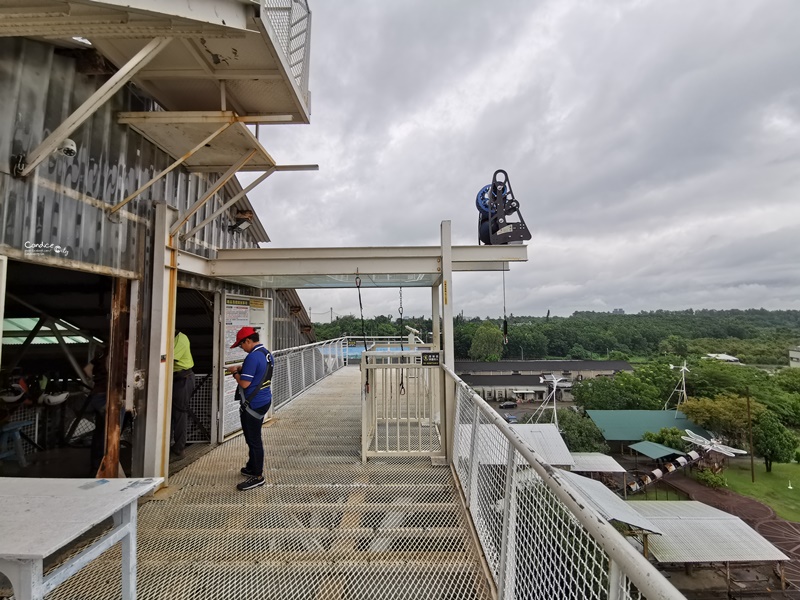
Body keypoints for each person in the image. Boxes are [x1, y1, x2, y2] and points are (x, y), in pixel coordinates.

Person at [228, 326, 274, 491]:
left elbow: (245, 383)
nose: (242, 348)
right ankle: (251, 467)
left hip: (252, 404)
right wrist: (242, 369)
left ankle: (258, 476)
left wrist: (235, 373)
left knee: (253, 440)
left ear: (248, 341)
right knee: (253, 437)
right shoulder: (266, 354)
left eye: (241, 345)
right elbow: (259, 373)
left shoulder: (252, 357)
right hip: (264, 400)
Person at [171, 330, 195, 459]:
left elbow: (168, 358)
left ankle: (179, 449)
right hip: (175, 379)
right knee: (171, 413)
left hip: (183, 379)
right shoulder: (171, 338)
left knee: (179, 413)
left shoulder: (181, 338)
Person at [85, 348, 108, 475]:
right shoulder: (115, 355)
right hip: (106, 395)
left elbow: (87, 370)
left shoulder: (100, 354)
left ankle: (95, 465)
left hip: (96, 394)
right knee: (108, 433)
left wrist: (96, 381)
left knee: (99, 432)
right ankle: (103, 466)